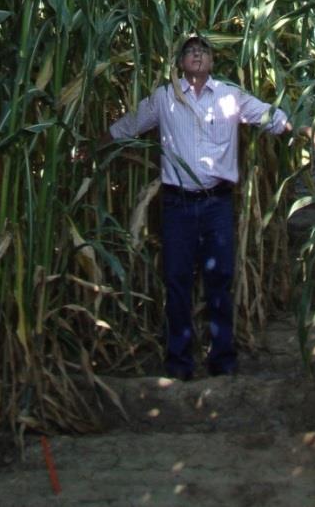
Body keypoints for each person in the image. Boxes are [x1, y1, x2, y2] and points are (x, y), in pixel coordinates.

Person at [98, 34, 302, 380]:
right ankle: (179, 363)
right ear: (179, 63)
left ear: (212, 62)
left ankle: (222, 360)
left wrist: (302, 128)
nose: (197, 55)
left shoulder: (229, 96)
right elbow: (129, 125)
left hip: (216, 205)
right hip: (177, 205)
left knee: (219, 280)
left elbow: (267, 116)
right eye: (190, 51)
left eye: (203, 51)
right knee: (176, 281)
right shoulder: (164, 97)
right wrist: (96, 144)